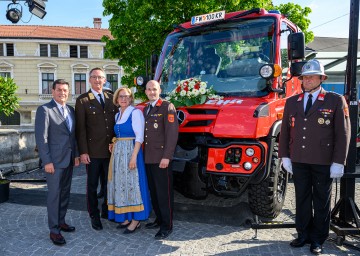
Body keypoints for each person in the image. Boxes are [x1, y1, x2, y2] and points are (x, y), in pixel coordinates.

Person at [279, 59, 351, 255]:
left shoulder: (335, 100)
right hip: (299, 158)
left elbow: (343, 133)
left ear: (321, 78)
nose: (308, 79)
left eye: (312, 76)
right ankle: (302, 234)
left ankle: (318, 239)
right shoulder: (292, 101)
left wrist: (339, 161)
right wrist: (284, 155)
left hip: (323, 160)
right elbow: (285, 131)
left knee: (321, 200)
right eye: (305, 77)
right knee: (301, 198)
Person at [35, 79, 80, 245]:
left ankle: (61, 221)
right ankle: (54, 230)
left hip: (68, 160)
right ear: (53, 91)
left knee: (65, 193)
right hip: (53, 162)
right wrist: (46, 161)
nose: (63, 93)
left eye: (65, 90)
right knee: (54, 196)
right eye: (59, 90)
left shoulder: (70, 110)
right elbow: (42, 138)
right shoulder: (45, 110)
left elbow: (72, 136)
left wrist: (75, 155)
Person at [75, 67, 117, 230]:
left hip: (110, 151)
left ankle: (107, 210)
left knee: (108, 184)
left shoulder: (111, 97)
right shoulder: (83, 100)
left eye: (100, 78)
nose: (98, 80)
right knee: (92, 185)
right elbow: (81, 129)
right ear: (90, 80)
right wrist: (83, 151)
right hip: (92, 152)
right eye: (94, 77)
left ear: (105, 80)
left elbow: (114, 124)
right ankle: (94, 214)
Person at [107, 87, 151, 234]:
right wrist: (114, 144)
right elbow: (119, 134)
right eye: (120, 97)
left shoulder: (136, 112)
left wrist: (133, 157)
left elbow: (139, 137)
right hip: (119, 153)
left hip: (132, 152)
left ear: (131, 98)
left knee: (133, 184)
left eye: (126, 96)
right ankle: (126, 216)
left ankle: (136, 220)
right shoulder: (118, 114)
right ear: (117, 99)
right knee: (122, 184)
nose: (123, 99)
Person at [143, 80, 179, 239]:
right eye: (149, 89)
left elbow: (172, 134)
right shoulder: (145, 108)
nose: (152, 92)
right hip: (149, 158)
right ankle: (158, 219)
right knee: (154, 191)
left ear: (160, 90)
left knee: (164, 193)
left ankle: (167, 225)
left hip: (161, 159)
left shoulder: (167, 107)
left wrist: (167, 157)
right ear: (145, 92)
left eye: (154, 89)